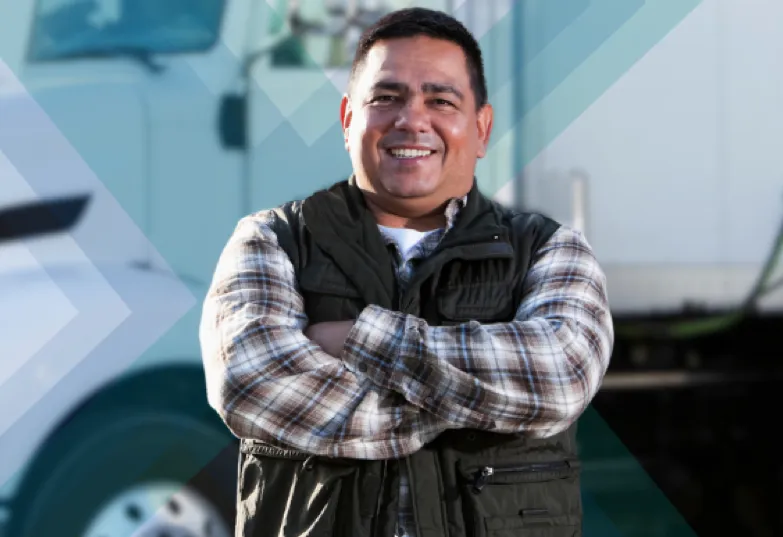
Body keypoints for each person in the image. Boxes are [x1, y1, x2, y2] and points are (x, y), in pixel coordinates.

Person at [199, 7, 614, 537]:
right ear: (349, 118)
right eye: (386, 98)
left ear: (481, 129)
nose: (411, 119)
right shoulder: (267, 240)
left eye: (440, 100)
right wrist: (470, 404)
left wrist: (359, 338)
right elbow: (251, 382)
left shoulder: (551, 250)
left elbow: (559, 376)